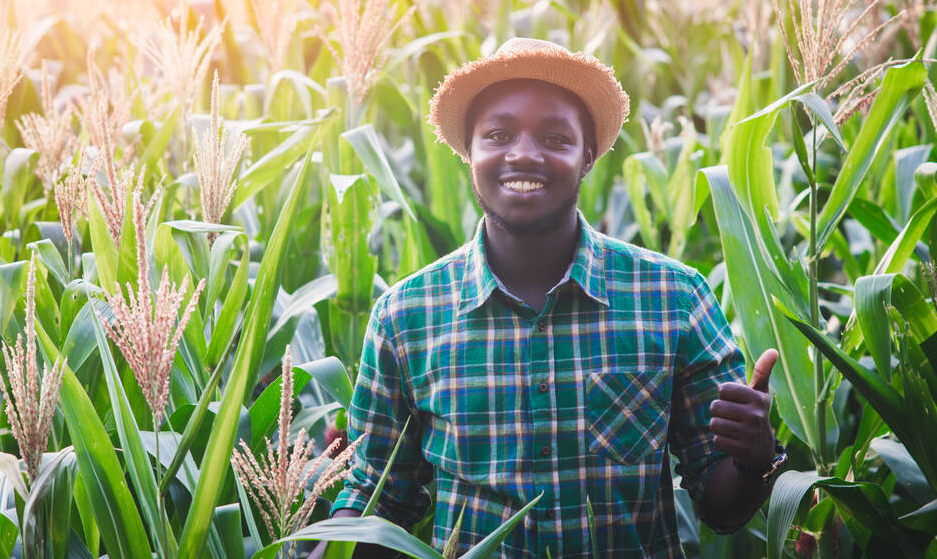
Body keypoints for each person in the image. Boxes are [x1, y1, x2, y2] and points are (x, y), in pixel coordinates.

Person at [311, 38, 786, 559]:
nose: (523, 154)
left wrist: (756, 458)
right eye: (497, 134)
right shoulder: (407, 318)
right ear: (468, 152)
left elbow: (722, 509)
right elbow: (380, 501)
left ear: (587, 156)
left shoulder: (673, 298)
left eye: (555, 137)